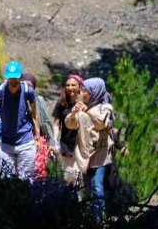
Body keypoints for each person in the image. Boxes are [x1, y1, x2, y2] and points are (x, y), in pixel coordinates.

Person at [65, 77, 113, 219]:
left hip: (100, 154)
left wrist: (88, 110)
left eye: (85, 90)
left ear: (94, 92)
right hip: (84, 155)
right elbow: (70, 124)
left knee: (97, 187)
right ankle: (89, 217)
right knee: (86, 188)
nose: (82, 93)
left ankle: (100, 219)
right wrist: (74, 113)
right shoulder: (82, 107)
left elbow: (101, 123)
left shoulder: (105, 108)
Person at [0, 61, 39, 179]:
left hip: (25, 141)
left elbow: (35, 114)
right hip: (5, 143)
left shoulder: (28, 91)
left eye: (15, 78)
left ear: (20, 77)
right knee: (5, 180)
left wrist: (37, 134)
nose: (13, 81)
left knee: (27, 180)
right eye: (10, 78)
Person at [20, 71, 57, 179]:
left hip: (37, 140)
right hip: (20, 140)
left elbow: (46, 122)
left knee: (38, 172)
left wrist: (51, 142)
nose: (27, 88)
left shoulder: (39, 100)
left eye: (30, 86)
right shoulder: (15, 99)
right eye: (24, 85)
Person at [51, 74, 85, 186]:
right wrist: (55, 140)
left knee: (81, 179)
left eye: (73, 85)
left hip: (82, 146)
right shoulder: (61, 103)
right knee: (69, 177)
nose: (70, 88)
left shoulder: (85, 103)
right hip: (67, 146)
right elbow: (56, 124)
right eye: (67, 85)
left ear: (79, 87)